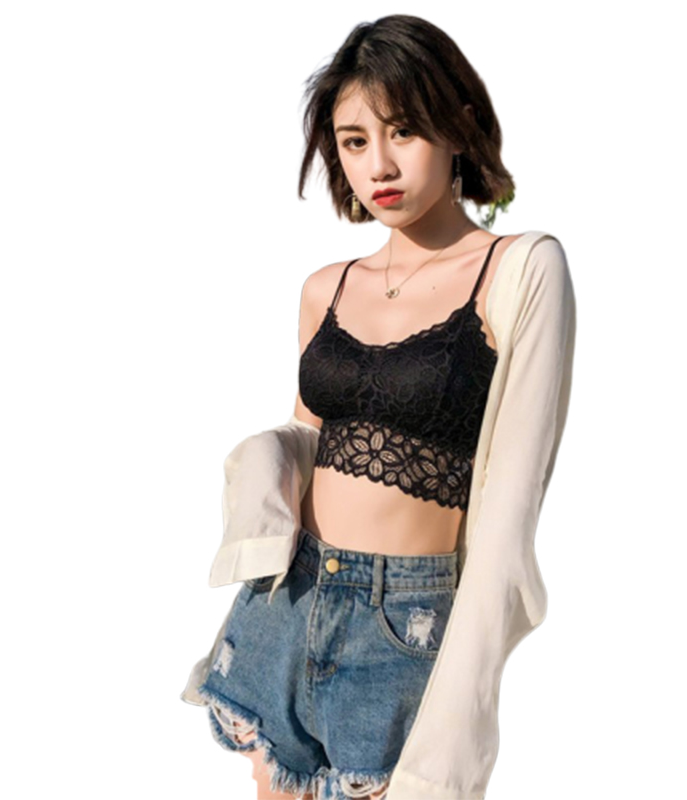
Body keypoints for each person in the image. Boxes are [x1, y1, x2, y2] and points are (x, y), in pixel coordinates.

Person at [181, 14, 576, 800]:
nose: (380, 165)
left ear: (458, 126)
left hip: (406, 627)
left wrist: (457, 730)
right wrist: (265, 455)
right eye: (355, 141)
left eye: (404, 131)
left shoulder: (520, 269)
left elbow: (510, 512)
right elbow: (310, 436)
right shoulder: (325, 288)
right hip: (287, 598)